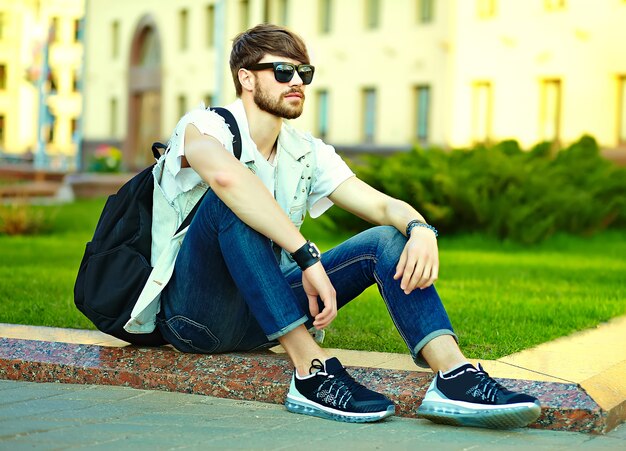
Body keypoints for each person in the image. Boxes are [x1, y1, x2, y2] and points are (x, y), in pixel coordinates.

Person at [125, 24, 541, 428]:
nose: (297, 82)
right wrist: (306, 256)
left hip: (262, 315)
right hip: (196, 318)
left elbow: (380, 205)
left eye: (303, 73)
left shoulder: (305, 151)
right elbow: (227, 179)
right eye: (283, 71)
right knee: (230, 202)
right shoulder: (204, 127)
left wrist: (419, 229)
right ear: (246, 78)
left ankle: (453, 375)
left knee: (386, 239)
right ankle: (310, 373)